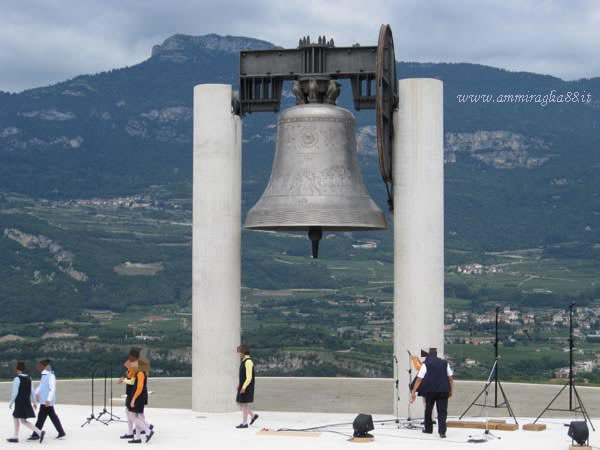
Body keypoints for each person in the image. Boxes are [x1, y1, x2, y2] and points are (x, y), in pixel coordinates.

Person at [409, 348, 454, 438]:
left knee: (428, 410)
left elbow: (419, 379)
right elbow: (450, 378)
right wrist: (451, 390)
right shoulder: (445, 363)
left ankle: (428, 429)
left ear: (428, 355)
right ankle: (442, 432)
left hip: (430, 391)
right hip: (443, 390)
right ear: (436, 355)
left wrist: (413, 393)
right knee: (442, 412)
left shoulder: (426, 363)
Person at [118, 349, 153, 443]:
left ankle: (147, 429)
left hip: (137, 395)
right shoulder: (138, 370)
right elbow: (130, 375)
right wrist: (127, 376)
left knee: (134, 415)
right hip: (134, 394)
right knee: (135, 414)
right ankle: (138, 435)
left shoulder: (140, 371)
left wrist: (133, 399)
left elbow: (136, 384)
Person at [7, 361, 45, 444]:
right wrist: (34, 403)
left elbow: (15, 393)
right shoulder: (29, 378)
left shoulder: (17, 379)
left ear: (18, 370)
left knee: (19, 419)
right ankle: (38, 432)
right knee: (21, 420)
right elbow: (32, 392)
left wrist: (11, 402)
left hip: (19, 402)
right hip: (27, 401)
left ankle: (16, 437)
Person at [28, 359, 65, 441]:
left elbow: (52, 389)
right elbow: (41, 386)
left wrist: (48, 400)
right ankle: (61, 432)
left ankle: (36, 434)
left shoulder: (51, 376)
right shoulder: (44, 375)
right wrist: (37, 393)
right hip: (44, 400)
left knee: (42, 417)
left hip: (47, 401)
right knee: (51, 416)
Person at [126, 357, 153, 444]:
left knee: (131, 416)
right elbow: (129, 375)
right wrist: (130, 368)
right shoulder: (138, 372)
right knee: (136, 416)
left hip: (138, 397)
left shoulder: (140, 373)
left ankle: (148, 431)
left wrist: (133, 399)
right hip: (138, 396)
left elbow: (139, 388)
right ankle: (137, 438)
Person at [235, 344, 258, 429]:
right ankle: (253, 415)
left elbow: (249, 377)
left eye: (240, 352)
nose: (239, 354)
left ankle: (245, 423)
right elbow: (243, 376)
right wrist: (239, 385)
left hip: (247, 386)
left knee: (243, 404)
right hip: (243, 385)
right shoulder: (244, 361)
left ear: (243, 352)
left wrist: (244, 387)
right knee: (241, 403)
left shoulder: (248, 362)